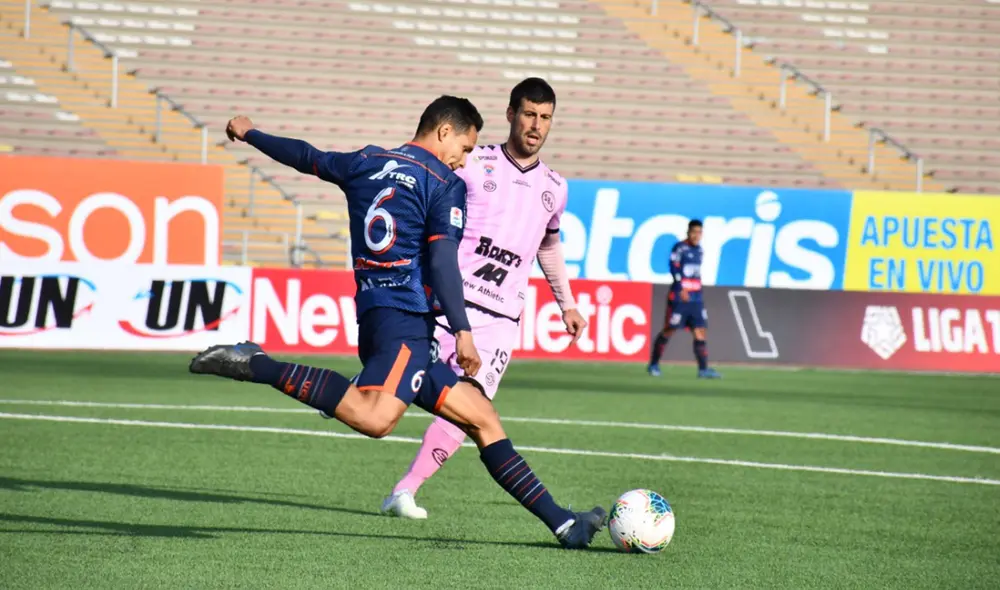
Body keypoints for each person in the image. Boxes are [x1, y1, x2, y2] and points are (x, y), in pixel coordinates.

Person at [188, 95, 606, 549]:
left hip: (379, 315)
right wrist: (463, 331)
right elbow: (445, 260)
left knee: (481, 417)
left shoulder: (366, 161)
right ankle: (258, 365)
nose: (463, 159)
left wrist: (251, 134)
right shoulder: (442, 181)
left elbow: (306, 157)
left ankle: (565, 524)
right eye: (464, 148)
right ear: (444, 132)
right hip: (405, 319)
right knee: (376, 418)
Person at [379, 78, 587, 520]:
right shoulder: (476, 164)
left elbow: (548, 246)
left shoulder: (556, 186)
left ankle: (405, 491)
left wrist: (566, 303)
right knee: (398, 387)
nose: (536, 126)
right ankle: (348, 398)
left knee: (470, 408)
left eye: (545, 118)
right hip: (449, 307)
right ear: (511, 114)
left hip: (499, 322)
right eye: (529, 114)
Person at [647, 219, 721, 379]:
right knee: (669, 329)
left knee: (700, 331)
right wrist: (680, 288)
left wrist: (698, 292)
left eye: (699, 232)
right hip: (680, 298)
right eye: (694, 232)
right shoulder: (680, 247)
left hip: (696, 298)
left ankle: (703, 370)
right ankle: (653, 364)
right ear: (688, 232)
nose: (696, 235)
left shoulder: (700, 251)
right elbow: (674, 267)